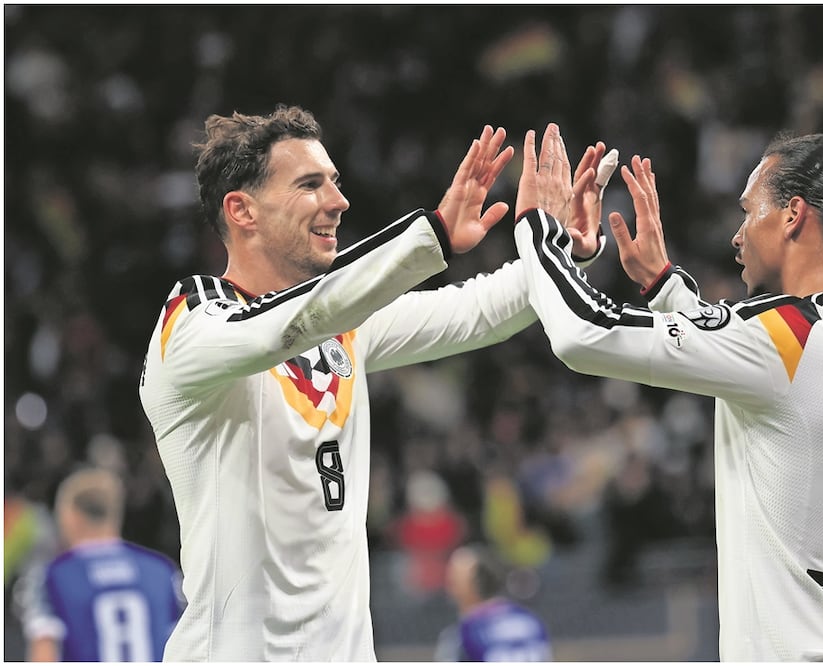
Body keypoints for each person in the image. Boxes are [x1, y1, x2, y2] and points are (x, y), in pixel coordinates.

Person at [138, 106, 612, 660]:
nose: (337, 203)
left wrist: (559, 249)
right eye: (310, 185)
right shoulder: (191, 324)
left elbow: (478, 310)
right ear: (242, 210)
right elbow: (279, 327)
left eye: (335, 183)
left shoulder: (344, 327)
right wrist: (430, 234)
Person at [513, 128, 823, 660]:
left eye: (748, 210)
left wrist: (537, 228)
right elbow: (770, 379)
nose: (737, 235)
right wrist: (666, 286)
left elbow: (582, 334)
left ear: (792, 215)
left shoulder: (792, 335)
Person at [17, 467, 183, 661]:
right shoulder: (162, 571)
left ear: (71, 516)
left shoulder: (51, 576)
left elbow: (44, 651)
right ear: (115, 513)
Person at [434, 544, 552, 662]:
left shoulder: (463, 635)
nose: (448, 585)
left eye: (453, 579)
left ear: (474, 585)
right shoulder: (531, 621)